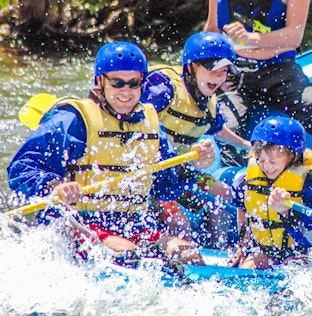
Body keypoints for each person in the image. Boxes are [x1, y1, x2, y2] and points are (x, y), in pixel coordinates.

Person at [7, 41, 216, 268]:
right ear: (100, 81)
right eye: (117, 83)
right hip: (77, 223)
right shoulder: (72, 120)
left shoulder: (151, 124)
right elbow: (22, 167)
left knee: (188, 256)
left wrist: (192, 164)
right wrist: (54, 186)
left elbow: (166, 189)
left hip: (132, 223)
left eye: (134, 83)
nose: (126, 92)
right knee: (128, 254)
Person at [141, 32, 250, 249]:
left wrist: (248, 146)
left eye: (224, 72)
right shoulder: (164, 89)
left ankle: (236, 251)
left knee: (229, 196)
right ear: (191, 67)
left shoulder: (209, 104)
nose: (218, 78)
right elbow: (135, 121)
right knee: (179, 223)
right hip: (146, 174)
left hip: (180, 172)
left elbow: (218, 129)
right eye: (212, 70)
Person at [204, 0, 312, 167]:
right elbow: (211, 31)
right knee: (228, 126)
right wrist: (213, 73)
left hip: (279, 70)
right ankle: (235, 181)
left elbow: (294, 37)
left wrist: (249, 39)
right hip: (233, 73)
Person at [229, 116, 312, 269]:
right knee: (247, 268)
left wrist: (287, 212)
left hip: (301, 251)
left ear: (294, 156)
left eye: (273, 161)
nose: (267, 167)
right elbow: (243, 208)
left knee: (293, 264)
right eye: (261, 160)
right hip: (267, 250)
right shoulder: (245, 182)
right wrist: (243, 247)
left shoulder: (311, 186)